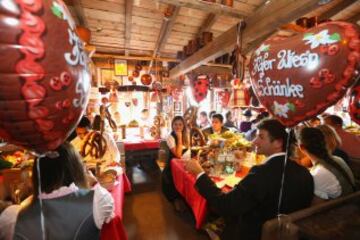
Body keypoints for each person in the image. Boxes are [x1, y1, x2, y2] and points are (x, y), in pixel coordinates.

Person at [185, 119, 314, 240]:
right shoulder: (304, 173)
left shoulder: (261, 173)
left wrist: (199, 173)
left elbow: (226, 205)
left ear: (278, 143)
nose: (254, 141)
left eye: (261, 137)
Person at [12, 142, 114, 240]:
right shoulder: (96, 199)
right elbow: (110, 209)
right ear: (75, 168)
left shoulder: (22, 215)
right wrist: (94, 183)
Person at [298, 127, 355, 204]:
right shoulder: (338, 159)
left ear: (301, 147)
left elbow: (316, 207)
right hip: (352, 201)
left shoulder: (319, 173)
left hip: (345, 211)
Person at [161, 116, 190, 211]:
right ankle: (176, 200)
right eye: (175, 124)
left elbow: (188, 149)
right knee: (175, 186)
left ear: (184, 126)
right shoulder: (170, 137)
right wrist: (179, 137)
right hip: (174, 165)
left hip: (185, 162)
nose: (178, 127)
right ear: (172, 125)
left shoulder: (186, 134)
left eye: (180, 124)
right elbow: (178, 154)